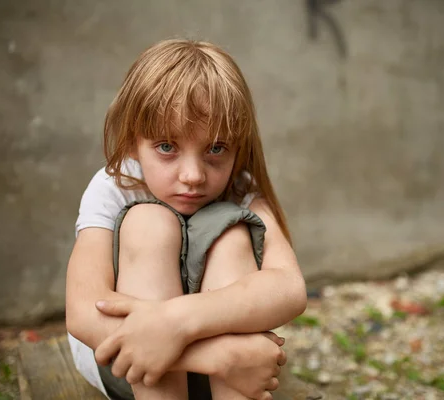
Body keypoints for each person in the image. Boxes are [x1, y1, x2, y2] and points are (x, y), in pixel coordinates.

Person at [65, 38, 307, 400]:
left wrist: (174, 321)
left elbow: (289, 289)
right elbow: (83, 313)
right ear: (133, 141)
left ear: (238, 146)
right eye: (167, 147)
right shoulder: (115, 186)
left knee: (230, 230)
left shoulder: (242, 189)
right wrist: (218, 356)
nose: (193, 175)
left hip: (227, 379)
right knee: (149, 224)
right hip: (126, 363)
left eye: (215, 149)